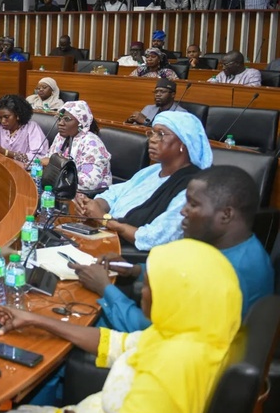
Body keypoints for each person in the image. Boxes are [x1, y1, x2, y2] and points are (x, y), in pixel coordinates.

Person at [0, 239, 241, 413]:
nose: (141, 292)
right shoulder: (190, 334)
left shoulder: (171, 374)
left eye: (148, 285)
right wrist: (35, 320)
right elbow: (113, 343)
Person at [72, 166, 273, 333]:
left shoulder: (225, 276)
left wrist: (104, 288)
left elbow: (149, 330)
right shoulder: (230, 246)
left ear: (226, 215)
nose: (183, 211)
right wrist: (135, 270)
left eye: (193, 205)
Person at [75, 111, 212, 250]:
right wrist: (93, 205)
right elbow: (114, 193)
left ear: (184, 143)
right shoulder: (152, 170)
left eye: (161, 134)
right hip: (103, 233)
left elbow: (157, 237)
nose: (152, 139)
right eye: (152, 133)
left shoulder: (191, 187)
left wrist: (105, 220)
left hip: (129, 254)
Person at [43, 101, 112, 193]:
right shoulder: (60, 137)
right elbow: (48, 160)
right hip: (60, 187)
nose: (60, 123)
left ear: (81, 123)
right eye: (59, 118)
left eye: (67, 119)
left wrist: (58, 168)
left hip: (87, 195)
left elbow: (90, 182)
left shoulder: (92, 143)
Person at [0, 94, 49, 166]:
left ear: (18, 115)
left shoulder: (31, 127)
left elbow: (38, 158)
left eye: (6, 117)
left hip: (24, 172)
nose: (3, 121)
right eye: (0, 117)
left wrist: (6, 153)